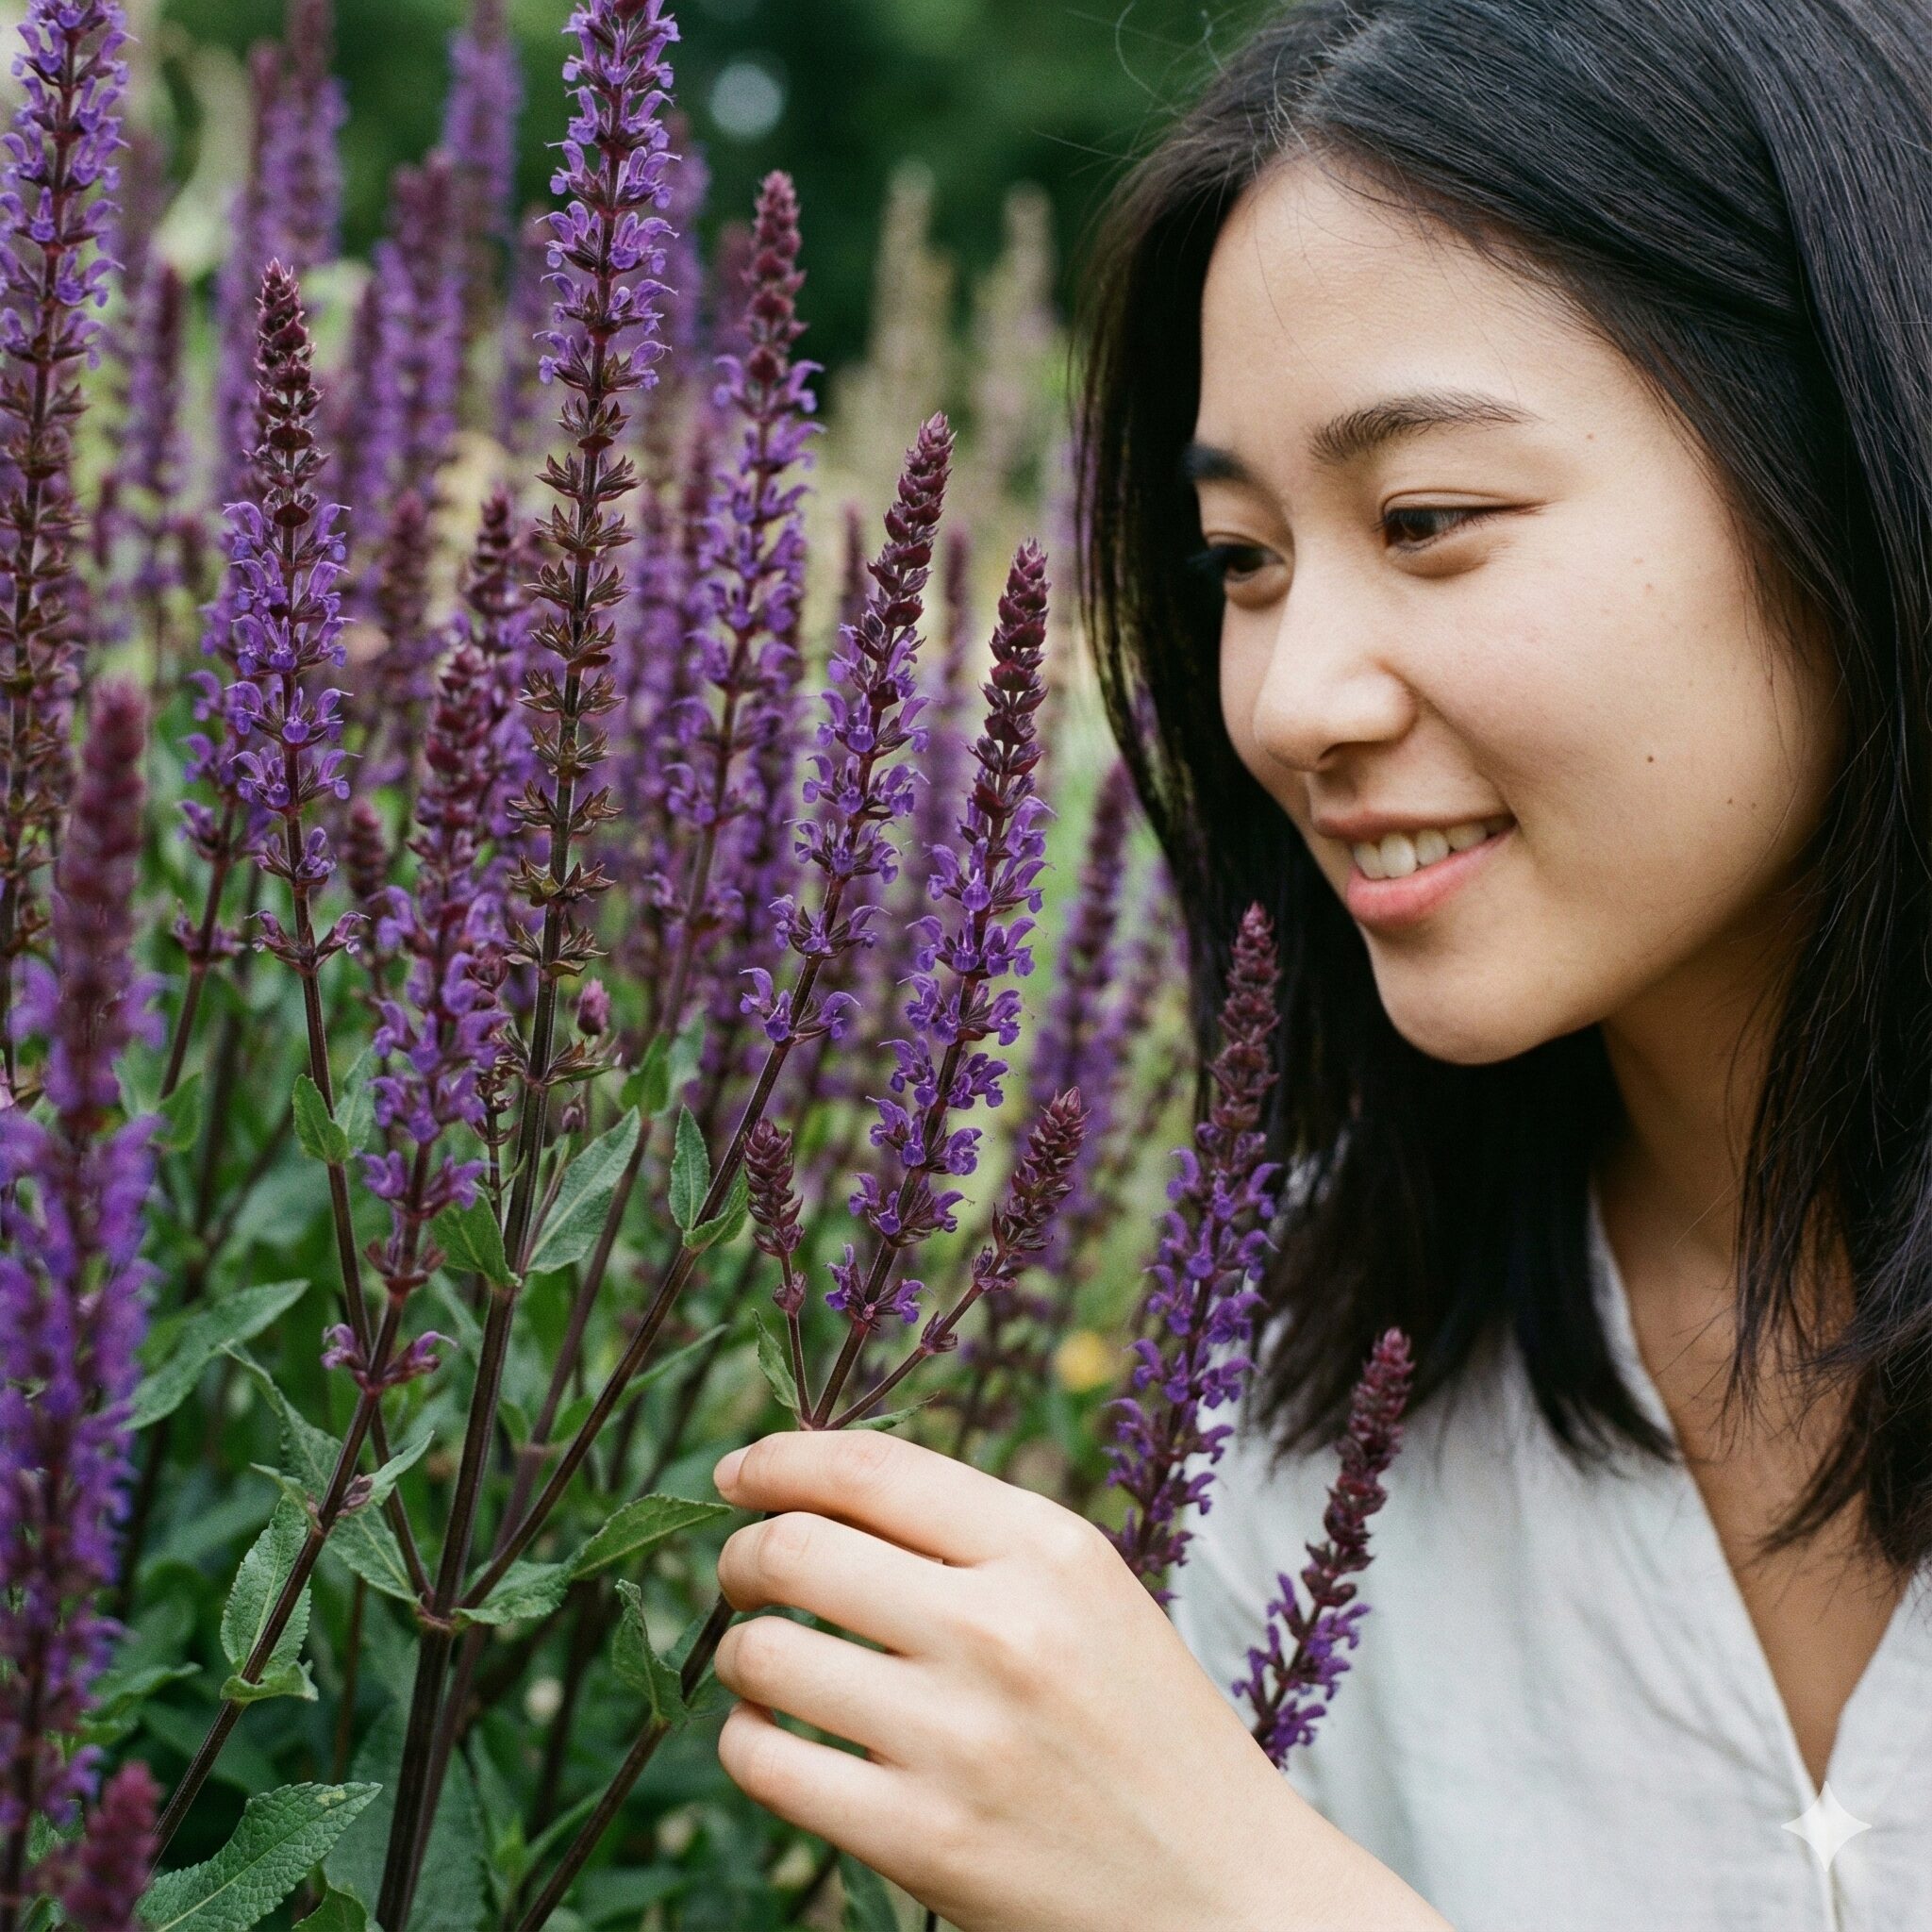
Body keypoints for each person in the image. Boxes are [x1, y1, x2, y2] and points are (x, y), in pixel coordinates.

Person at [704, 3, 1932, 1927]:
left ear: (1852, 468)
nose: (1292, 702)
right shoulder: (1309, 1387)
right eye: (1240, 560)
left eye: (1426, 520)